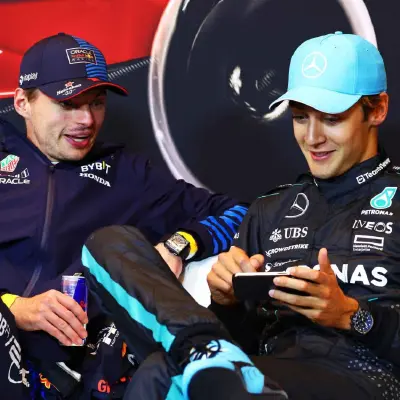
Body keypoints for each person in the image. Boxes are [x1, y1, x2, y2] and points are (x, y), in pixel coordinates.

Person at [80, 32, 399, 399]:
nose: (312, 137)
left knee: (162, 374)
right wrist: (225, 302)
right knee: (107, 243)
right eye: (299, 118)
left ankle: (198, 348)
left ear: (377, 110)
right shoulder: (269, 209)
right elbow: (243, 339)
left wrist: (350, 315)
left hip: (364, 378)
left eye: (331, 119)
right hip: (258, 375)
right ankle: (200, 346)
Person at [0, 33, 248, 398]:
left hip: (70, 376)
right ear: (23, 102)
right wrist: (15, 308)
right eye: (68, 104)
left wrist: (179, 245)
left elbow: (240, 214)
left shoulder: (127, 175)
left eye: (97, 103)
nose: (87, 119)